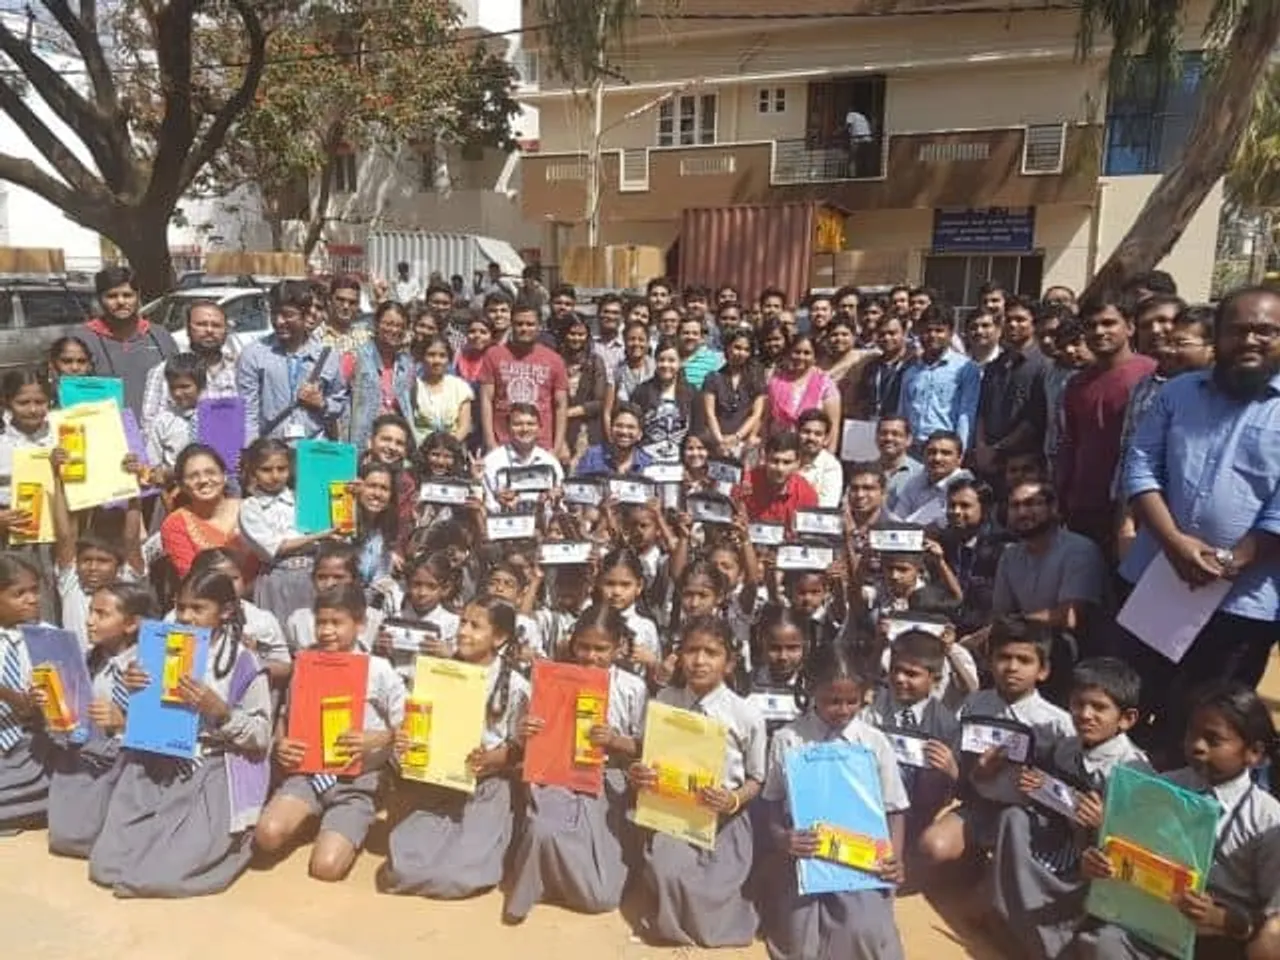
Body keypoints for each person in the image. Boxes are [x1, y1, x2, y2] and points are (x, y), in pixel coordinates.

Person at [1116, 287, 1280, 759]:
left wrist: (1236, 559)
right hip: (1159, 581)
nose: (1250, 339)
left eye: (1265, 330)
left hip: (1242, 598)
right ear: (1218, 337)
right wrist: (1173, 543)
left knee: (1211, 724)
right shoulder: (1178, 393)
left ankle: (1185, 821)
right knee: (1139, 703)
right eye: (1238, 329)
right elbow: (1141, 465)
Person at [89, 567, 270, 898]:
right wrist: (135, 690)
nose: (186, 617)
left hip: (213, 763)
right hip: (160, 757)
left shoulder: (244, 661)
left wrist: (221, 712)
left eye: (198, 609)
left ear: (226, 611)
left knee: (158, 877)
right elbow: (145, 720)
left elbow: (260, 737)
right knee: (106, 868)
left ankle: (233, 846)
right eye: (181, 606)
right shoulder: (160, 646)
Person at [1070, 682, 1280, 959]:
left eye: (1213, 740)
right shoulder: (1161, 787)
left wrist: (1220, 918)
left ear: (1253, 752)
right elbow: (1125, 853)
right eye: (1191, 733)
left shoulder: (1268, 820)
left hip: (1216, 942)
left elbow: (1271, 918)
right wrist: (1098, 862)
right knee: (1102, 944)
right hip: (1145, 924)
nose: (1197, 746)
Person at [987, 657, 1148, 960]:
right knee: (1013, 818)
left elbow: (1141, 843)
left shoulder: (1134, 772)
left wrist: (1104, 823)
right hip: (1062, 842)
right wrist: (1039, 788)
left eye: (1099, 707)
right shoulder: (1067, 748)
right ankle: (1010, 918)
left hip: (1098, 860)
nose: (1085, 715)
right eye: (1078, 704)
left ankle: (1050, 940)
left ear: (1126, 719)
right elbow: (1055, 802)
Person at [761, 641, 908, 960]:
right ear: (812, 690)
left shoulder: (873, 742)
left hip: (861, 860)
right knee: (801, 946)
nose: (842, 710)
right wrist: (782, 838)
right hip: (804, 858)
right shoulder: (788, 739)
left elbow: (895, 809)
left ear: (864, 695)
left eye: (851, 701)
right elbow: (771, 801)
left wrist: (893, 858)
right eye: (832, 701)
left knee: (862, 933)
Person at [378, 595, 530, 899]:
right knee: (403, 871)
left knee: (458, 878)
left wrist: (492, 758)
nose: (463, 632)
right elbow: (414, 724)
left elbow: (520, 750)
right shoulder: (436, 673)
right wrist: (407, 739)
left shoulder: (516, 686)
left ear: (499, 638)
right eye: (462, 622)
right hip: (438, 782)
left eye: (476, 626)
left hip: (488, 785)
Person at [629, 616, 765, 948]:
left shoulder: (745, 712)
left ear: (729, 662)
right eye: (691, 650)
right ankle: (672, 924)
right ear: (679, 655)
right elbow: (646, 758)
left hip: (725, 818)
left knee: (713, 889)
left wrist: (732, 800)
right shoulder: (664, 701)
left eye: (711, 652)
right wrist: (639, 774)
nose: (700, 661)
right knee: (666, 869)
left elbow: (756, 778)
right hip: (673, 813)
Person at [504, 605, 646, 922]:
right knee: (542, 829)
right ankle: (536, 887)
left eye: (601, 649)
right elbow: (535, 729)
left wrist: (614, 740)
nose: (591, 656)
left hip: (608, 778)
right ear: (572, 644)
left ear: (619, 646)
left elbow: (641, 746)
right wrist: (527, 729)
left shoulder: (632, 688)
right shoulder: (554, 677)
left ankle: (578, 884)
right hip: (557, 768)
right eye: (583, 646)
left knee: (601, 894)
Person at [255, 584, 405, 882]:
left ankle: (347, 821)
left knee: (326, 868)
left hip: (358, 780)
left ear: (359, 624)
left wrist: (378, 739)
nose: (327, 631)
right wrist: (281, 741)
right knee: (267, 836)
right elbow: (286, 713)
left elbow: (407, 726)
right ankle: (311, 817)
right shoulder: (306, 663)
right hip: (307, 774)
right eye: (321, 622)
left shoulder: (379, 669)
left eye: (337, 623)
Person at [917, 617, 1074, 873]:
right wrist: (974, 772)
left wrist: (1040, 785)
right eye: (1004, 657)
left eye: (1024, 660)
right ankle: (973, 857)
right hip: (980, 806)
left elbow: (1068, 792)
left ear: (1043, 670)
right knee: (932, 847)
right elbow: (958, 767)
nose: (1012, 667)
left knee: (997, 898)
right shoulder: (974, 704)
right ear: (989, 661)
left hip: (1029, 818)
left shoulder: (1058, 724)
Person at [45, 580, 157, 857]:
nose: (90, 621)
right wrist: (51, 699)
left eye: (101, 614)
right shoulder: (87, 661)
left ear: (131, 624)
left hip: (136, 760)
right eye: (90, 612)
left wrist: (124, 722)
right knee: (67, 837)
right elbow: (70, 722)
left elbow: (165, 733)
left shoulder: (151, 667)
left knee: (108, 842)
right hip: (92, 756)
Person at [1056, 292, 1156, 558]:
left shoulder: (1150, 376)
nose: (1099, 331)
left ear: (1130, 327)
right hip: (1083, 508)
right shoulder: (1076, 384)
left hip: (1132, 511)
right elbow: (1070, 444)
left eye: (1108, 323)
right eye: (1091, 325)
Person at [860, 630, 962, 846]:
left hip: (921, 815)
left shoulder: (946, 725)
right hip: (870, 807)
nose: (899, 679)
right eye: (895, 670)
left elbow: (958, 789)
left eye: (911, 674)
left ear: (935, 680)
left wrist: (952, 771)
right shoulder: (872, 710)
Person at [237, 281, 348, 442]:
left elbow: (339, 402)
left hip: (313, 449)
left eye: (287, 315)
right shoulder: (253, 355)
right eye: (274, 314)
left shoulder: (328, 357)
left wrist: (322, 404)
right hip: (273, 450)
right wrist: (253, 452)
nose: (279, 321)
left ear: (305, 315)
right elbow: (248, 413)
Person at [81, 266, 178, 418]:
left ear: (138, 297)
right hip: (104, 431)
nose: (120, 302)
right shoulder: (82, 339)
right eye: (112, 296)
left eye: (127, 295)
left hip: (155, 434)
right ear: (100, 299)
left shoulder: (160, 336)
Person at [478, 302, 569, 461]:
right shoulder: (493, 355)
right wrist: (490, 443)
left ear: (539, 326)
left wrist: (558, 446)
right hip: (503, 443)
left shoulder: (555, 360)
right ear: (511, 325)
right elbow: (486, 400)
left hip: (541, 445)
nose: (524, 329)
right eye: (519, 324)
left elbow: (560, 405)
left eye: (530, 324)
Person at [0, 554, 50, 832]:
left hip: (31, 745)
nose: (32, 599)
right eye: (19, 593)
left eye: (35, 591)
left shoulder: (49, 639)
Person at [159, 445, 253, 580]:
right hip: (212, 598)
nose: (203, 480)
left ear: (224, 476)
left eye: (210, 472)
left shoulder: (251, 510)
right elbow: (191, 579)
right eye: (193, 476)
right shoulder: (175, 524)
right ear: (181, 485)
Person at [898, 305, 980, 454]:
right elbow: (903, 412)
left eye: (939, 330)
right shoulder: (910, 371)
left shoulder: (965, 368)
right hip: (914, 449)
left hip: (947, 450)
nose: (932, 335)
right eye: (927, 330)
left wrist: (961, 451)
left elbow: (966, 414)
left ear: (950, 333)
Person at [141, 301, 238, 424]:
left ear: (226, 330)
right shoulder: (163, 371)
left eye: (216, 325)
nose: (209, 330)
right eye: (201, 324)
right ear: (188, 329)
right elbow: (150, 424)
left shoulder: (240, 370)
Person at [342, 301, 417, 451]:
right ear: (376, 324)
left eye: (400, 326)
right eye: (388, 324)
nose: (394, 330)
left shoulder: (407, 365)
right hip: (362, 443)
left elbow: (410, 406)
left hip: (395, 445)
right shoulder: (355, 358)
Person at [766, 334, 840, 450]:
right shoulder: (776, 381)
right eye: (797, 352)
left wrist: (829, 458)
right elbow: (767, 420)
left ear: (815, 357)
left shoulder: (825, 384)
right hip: (780, 450)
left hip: (811, 450)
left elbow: (833, 427)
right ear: (789, 353)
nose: (801, 357)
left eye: (807, 353)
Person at [702, 327, 767, 459]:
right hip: (718, 442)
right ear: (728, 348)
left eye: (746, 350)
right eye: (737, 347)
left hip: (745, 444)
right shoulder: (713, 377)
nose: (741, 353)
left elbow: (756, 414)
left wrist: (737, 437)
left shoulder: (756, 378)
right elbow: (709, 413)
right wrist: (721, 441)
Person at [736, 432, 819, 529]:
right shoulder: (745, 482)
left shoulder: (806, 494)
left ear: (798, 463)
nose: (780, 468)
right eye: (774, 461)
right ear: (765, 459)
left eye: (787, 462)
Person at [889, 430, 971, 527]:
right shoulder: (915, 482)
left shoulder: (968, 487)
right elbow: (898, 520)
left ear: (959, 458)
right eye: (932, 452)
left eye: (945, 453)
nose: (937, 458)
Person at [558, 313, 609, 461]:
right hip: (560, 430)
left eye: (581, 334)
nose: (576, 338)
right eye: (572, 334)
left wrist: (568, 413)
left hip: (587, 430)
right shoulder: (555, 360)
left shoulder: (595, 362)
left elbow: (599, 402)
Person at [410, 335, 473, 446]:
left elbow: (464, 426)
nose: (437, 360)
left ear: (448, 359)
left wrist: (447, 447)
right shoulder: (412, 387)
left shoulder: (459, 387)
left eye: (442, 356)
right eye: (431, 355)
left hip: (453, 450)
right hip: (420, 449)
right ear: (422, 357)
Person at [575, 403, 652, 476]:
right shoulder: (592, 457)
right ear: (610, 429)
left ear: (640, 434)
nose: (624, 431)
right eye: (619, 425)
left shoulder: (648, 464)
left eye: (630, 427)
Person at [796, 409, 843, 508]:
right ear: (797, 432)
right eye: (806, 432)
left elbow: (827, 506)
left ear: (826, 439)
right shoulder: (786, 458)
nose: (811, 438)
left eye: (818, 434)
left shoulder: (831, 466)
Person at [318, 275, 371, 354]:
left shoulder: (365, 339)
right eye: (340, 300)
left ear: (358, 305)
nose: (346, 306)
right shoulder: (317, 336)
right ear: (329, 300)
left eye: (352, 302)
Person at [676, 314, 724, 390]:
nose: (690, 337)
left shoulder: (714, 360)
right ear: (678, 335)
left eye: (695, 333)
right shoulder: (670, 357)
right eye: (686, 333)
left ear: (702, 338)